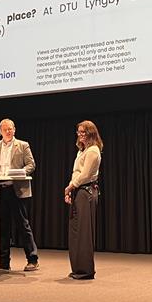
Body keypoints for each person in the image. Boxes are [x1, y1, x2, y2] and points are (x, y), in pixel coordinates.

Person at [0, 118, 39, 271]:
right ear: (0, 131)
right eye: (5, 129)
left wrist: (20, 172)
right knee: (2, 227)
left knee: (23, 225)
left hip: (17, 189)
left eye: (10, 129)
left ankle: (32, 259)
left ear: (14, 130)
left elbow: (31, 165)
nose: (8, 131)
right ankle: (3, 263)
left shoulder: (23, 145)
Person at [64, 120, 102, 280]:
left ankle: (86, 270)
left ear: (91, 133)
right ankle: (77, 268)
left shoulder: (93, 150)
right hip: (78, 191)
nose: (80, 135)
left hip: (86, 192)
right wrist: (71, 188)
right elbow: (76, 172)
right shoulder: (82, 150)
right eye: (78, 132)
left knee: (84, 233)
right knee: (76, 231)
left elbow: (86, 175)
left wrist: (71, 187)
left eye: (83, 132)